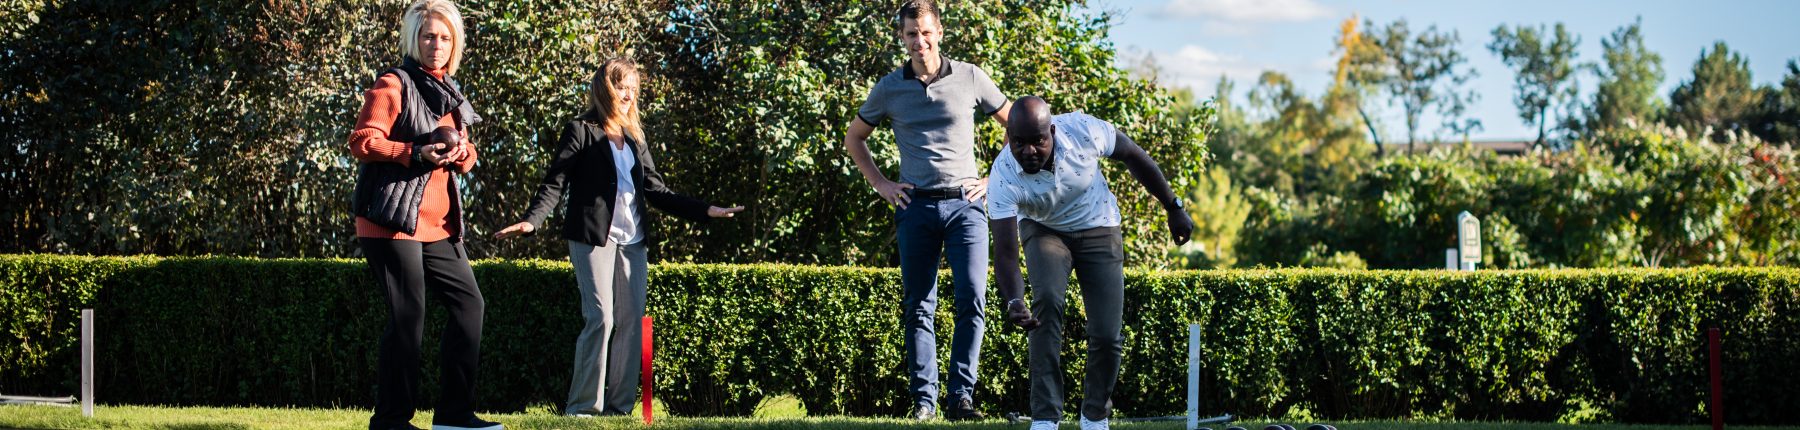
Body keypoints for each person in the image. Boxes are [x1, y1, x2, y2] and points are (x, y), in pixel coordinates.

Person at [494, 57, 744, 417]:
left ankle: (619, 409)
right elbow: (556, 183)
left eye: (633, 89)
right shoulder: (580, 130)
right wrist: (532, 221)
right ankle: (582, 409)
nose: (628, 95)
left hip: (634, 241)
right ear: (605, 88)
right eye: (622, 86)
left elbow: (657, 191)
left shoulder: (634, 138)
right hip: (592, 237)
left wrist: (705, 210)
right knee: (600, 318)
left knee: (630, 322)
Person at [841, 0, 1011, 421]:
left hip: (966, 206)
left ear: (939, 32)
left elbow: (1018, 125)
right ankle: (924, 402)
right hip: (914, 207)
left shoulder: (971, 76)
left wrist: (993, 180)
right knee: (919, 305)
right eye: (911, 34)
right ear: (902, 38)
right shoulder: (888, 88)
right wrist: (881, 184)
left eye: (926, 32)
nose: (920, 41)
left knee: (972, 297)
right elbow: (854, 139)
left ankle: (962, 399)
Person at [988, 96, 1195, 430]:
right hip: (1043, 231)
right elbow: (1006, 253)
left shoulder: (1084, 131)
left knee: (1107, 332)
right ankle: (1044, 417)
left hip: (1098, 224)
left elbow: (1134, 155)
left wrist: (1173, 206)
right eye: (1019, 143)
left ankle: (1095, 416)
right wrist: (1014, 299)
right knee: (1046, 305)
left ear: (1052, 131)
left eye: (1038, 141)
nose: (1028, 151)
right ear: (1009, 139)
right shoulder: (1003, 175)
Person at [344, 1, 500, 429]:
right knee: (408, 317)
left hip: (437, 224)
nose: (437, 45)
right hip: (390, 222)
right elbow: (363, 141)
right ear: (415, 38)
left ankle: (454, 415)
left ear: (456, 44)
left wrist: (462, 152)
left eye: (446, 37)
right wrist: (413, 152)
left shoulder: (450, 92)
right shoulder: (392, 84)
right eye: (429, 36)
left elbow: (466, 159)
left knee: (470, 306)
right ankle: (391, 421)